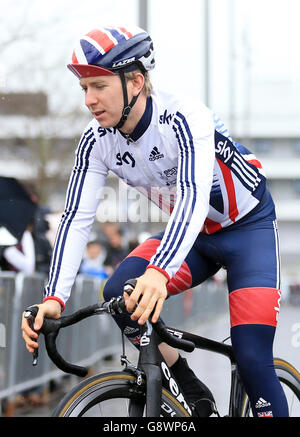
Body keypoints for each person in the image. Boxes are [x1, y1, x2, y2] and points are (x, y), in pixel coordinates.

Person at [22, 25, 288, 417]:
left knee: (251, 357)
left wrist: (159, 271)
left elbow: (193, 197)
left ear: (136, 81)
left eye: (98, 86)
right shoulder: (97, 140)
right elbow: (76, 217)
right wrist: (53, 298)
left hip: (248, 230)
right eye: (84, 89)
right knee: (119, 295)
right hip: (195, 234)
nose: (88, 101)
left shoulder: (184, 117)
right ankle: (187, 382)